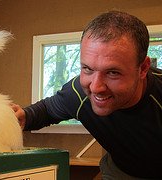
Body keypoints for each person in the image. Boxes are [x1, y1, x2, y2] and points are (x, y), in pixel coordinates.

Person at [11, 11, 162, 179]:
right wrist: (24, 116)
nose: (96, 87)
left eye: (112, 72)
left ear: (143, 69)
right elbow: (47, 109)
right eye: (87, 69)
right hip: (120, 171)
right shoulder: (78, 92)